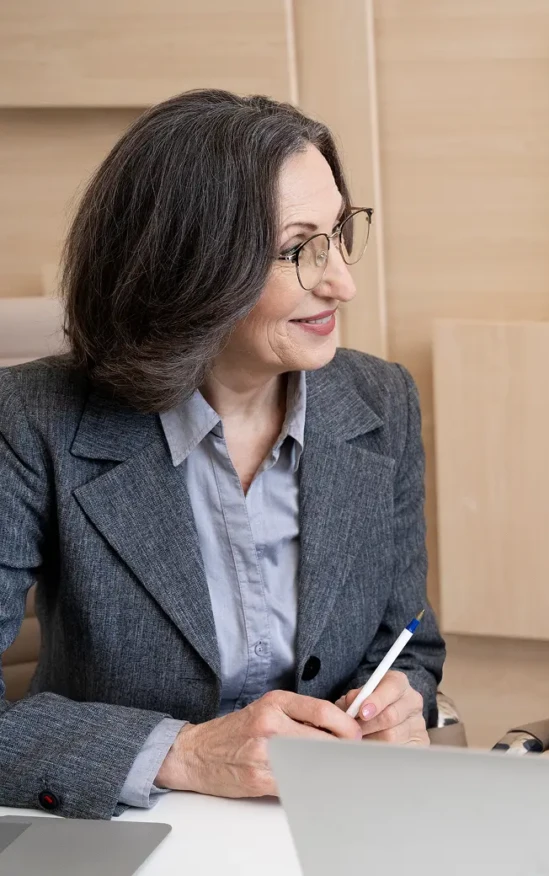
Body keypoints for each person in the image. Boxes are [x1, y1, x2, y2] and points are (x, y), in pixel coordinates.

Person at [0, 90, 444, 820]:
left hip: (323, 823)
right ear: (190, 268)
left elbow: (409, 644)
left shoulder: (381, 402)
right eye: (300, 248)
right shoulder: (32, 421)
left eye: (339, 233)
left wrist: (400, 702)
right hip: (127, 828)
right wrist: (185, 753)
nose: (342, 281)